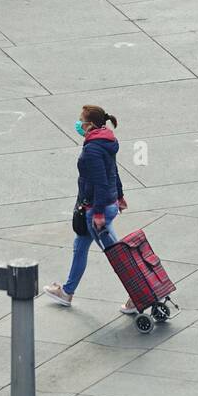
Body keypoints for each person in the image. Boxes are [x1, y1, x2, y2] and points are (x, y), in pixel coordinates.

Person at [44, 105, 134, 312]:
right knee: (80, 246)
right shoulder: (105, 141)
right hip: (101, 205)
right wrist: (119, 196)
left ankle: (137, 295)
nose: (78, 124)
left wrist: (100, 213)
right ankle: (67, 292)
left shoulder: (93, 148)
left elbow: (101, 182)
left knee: (116, 256)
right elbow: (113, 172)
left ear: (90, 124)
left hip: (97, 209)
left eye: (80, 120)